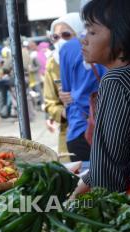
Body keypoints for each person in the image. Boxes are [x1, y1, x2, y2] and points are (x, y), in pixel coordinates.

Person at [72, 0, 130, 196]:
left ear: (121, 34)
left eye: (92, 32)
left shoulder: (116, 80)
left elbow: (107, 171)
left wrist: (72, 204)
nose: (84, 40)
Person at [59, 12, 106, 162]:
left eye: (66, 34)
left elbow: (66, 90)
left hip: (80, 126)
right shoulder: (113, 47)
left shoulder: (67, 49)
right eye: (54, 37)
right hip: (104, 127)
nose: (84, 41)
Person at [43, 13, 84, 162]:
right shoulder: (52, 64)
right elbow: (50, 103)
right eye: (55, 37)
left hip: (100, 128)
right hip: (70, 132)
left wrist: (79, 96)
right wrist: (65, 112)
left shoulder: (93, 60)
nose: (60, 41)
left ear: (80, 33)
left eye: (66, 35)